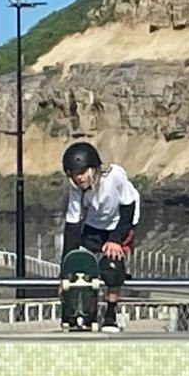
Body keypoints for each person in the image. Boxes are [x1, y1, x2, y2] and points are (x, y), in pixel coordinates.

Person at [62, 141, 141, 333]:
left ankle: (110, 315)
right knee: (82, 265)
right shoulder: (76, 189)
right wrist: (65, 269)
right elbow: (72, 226)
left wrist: (115, 239)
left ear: (93, 169)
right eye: (74, 174)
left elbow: (128, 208)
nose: (78, 178)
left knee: (112, 266)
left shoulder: (115, 176)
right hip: (95, 224)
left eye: (82, 172)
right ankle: (87, 313)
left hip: (122, 221)